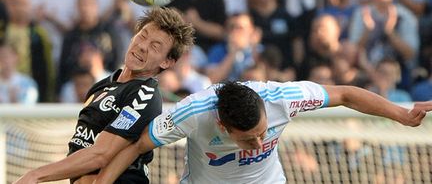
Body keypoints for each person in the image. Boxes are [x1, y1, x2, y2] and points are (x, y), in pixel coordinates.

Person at [93, 81, 432, 184]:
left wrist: (401, 114)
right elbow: (136, 145)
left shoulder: (283, 99)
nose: (258, 143)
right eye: (248, 139)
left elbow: (346, 94)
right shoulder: (192, 114)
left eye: (262, 133)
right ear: (223, 127)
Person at [13, 7, 195, 184]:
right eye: (143, 36)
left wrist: (35, 175)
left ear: (166, 61)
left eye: (155, 47)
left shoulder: (144, 93)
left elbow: (101, 155)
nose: (142, 47)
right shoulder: (101, 86)